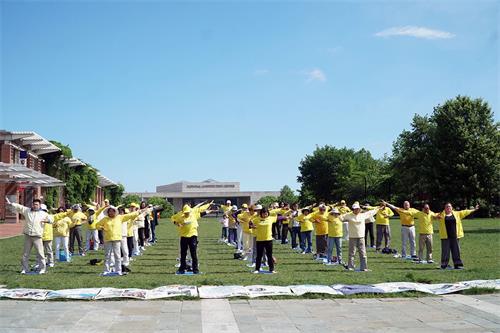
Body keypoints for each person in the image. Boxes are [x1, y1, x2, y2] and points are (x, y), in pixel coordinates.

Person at [95, 205, 147, 276]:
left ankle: (118, 270)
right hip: (107, 239)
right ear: (108, 212)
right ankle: (106, 270)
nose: (111, 213)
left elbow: (130, 215)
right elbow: (97, 225)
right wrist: (102, 227)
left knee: (117, 255)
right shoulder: (105, 219)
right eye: (109, 211)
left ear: (115, 212)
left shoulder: (120, 217)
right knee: (107, 256)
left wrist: (140, 211)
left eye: (112, 211)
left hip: (117, 239)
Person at [5, 197, 51, 274]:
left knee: (40, 253)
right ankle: (25, 269)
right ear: (32, 205)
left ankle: (42, 269)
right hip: (28, 236)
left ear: (39, 205)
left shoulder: (44, 213)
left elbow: (51, 219)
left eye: (37, 204)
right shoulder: (27, 211)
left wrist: (47, 220)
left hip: (37, 236)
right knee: (25, 254)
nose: (35, 206)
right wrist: (11, 204)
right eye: (34, 204)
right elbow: (20, 207)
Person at [435, 203, 479, 269]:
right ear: (444, 208)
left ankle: (458, 265)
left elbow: (465, 212)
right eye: (447, 207)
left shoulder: (457, 214)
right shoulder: (441, 215)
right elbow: (433, 215)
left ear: (452, 207)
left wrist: (474, 209)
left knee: (456, 250)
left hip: (455, 236)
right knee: (445, 251)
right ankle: (444, 265)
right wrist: (436, 216)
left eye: (449, 206)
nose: (448, 208)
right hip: (445, 236)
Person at [340, 202, 380, 271]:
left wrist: (379, 208)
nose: (357, 210)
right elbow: (341, 217)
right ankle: (350, 267)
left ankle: (364, 268)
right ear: (353, 209)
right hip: (352, 237)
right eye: (355, 209)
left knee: (363, 253)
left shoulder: (363, 215)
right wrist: (338, 216)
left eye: (358, 209)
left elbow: (372, 212)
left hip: (361, 237)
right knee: (352, 253)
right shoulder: (348, 215)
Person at [250, 207, 277, 273]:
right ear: (261, 214)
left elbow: (277, 216)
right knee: (259, 255)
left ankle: (272, 269)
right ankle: (257, 269)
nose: (265, 215)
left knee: (269, 255)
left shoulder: (270, 218)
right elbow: (250, 223)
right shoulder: (257, 219)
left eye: (266, 214)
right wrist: (252, 226)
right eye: (263, 214)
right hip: (259, 240)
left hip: (268, 240)